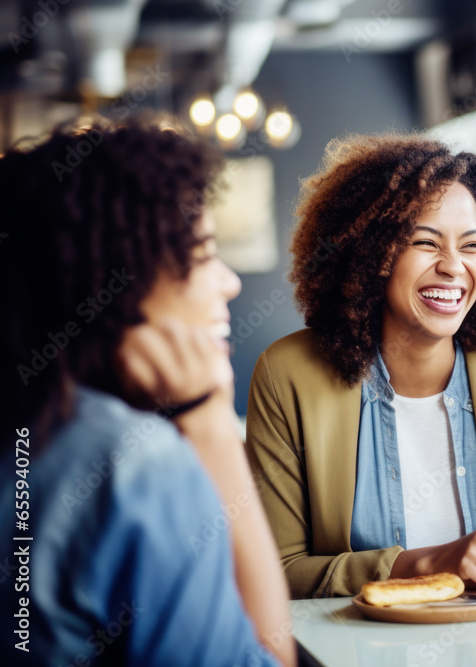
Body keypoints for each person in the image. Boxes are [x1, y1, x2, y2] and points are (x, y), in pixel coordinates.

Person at [0, 116, 295, 665]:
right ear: (118, 278)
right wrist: (208, 422)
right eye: (203, 253)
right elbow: (270, 657)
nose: (228, 282)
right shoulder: (136, 464)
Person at [245, 134, 476, 598]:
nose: (453, 267)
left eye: (471, 246)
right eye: (425, 242)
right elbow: (277, 572)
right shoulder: (288, 375)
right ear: (371, 253)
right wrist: (430, 563)